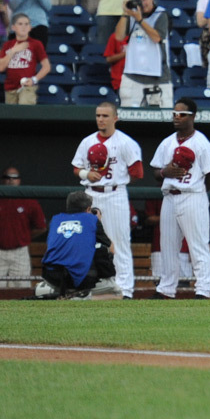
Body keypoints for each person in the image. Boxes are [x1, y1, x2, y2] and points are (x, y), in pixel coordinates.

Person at [70, 103, 143, 299]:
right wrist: (87, 173)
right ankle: (88, 286)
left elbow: (137, 172)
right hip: (91, 193)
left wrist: (116, 181)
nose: (101, 119)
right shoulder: (87, 141)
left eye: (105, 115)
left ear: (115, 118)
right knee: (86, 241)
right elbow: (76, 168)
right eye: (98, 115)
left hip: (114, 193)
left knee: (118, 242)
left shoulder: (126, 142)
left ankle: (125, 289)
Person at [149, 100, 210, 299]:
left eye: (182, 114)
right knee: (168, 245)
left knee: (198, 246)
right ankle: (166, 289)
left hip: (192, 196)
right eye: (175, 114)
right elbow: (155, 172)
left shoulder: (202, 143)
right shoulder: (167, 142)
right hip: (170, 196)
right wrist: (165, 171)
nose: (177, 118)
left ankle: (203, 290)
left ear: (193, 116)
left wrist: (197, 191)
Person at [35, 191, 118, 300]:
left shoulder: (56, 219)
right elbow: (112, 249)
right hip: (80, 279)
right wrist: (98, 221)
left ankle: (54, 291)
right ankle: (78, 297)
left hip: (52, 276)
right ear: (88, 209)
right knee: (117, 294)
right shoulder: (91, 219)